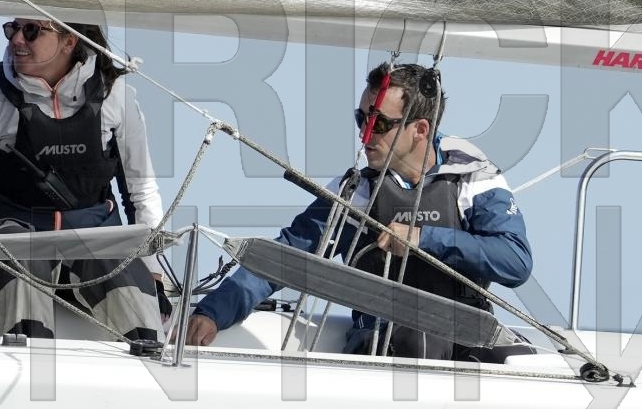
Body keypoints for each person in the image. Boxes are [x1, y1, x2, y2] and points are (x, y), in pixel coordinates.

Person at [185, 62, 532, 362]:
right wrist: (214, 312)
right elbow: (284, 259)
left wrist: (423, 239)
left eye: (379, 124)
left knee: (525, 361)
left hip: (467, 333)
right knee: (418, 340)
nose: (366, 134)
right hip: (388, 338)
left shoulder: (473, 177)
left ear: (420, 130)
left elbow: (515, 261)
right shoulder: (356, 192)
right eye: (361, 119)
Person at [0, 18, 165, 341]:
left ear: (69, 41)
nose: (16, 40)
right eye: (13, 28)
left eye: (31, 31)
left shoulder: (114, 94)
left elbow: (141, 192)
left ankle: (147, 353)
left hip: (92, 245)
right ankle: (27, 360)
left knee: (119, 267)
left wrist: (154, 274)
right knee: (23, 254)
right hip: (10, 245)